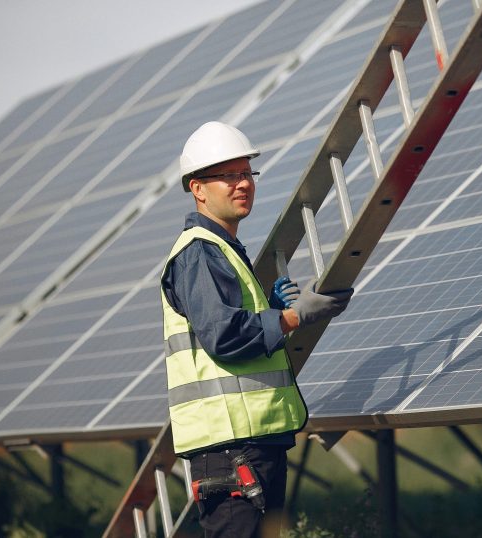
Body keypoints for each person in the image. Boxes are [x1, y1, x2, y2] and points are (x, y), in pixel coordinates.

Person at [160, 121, 353, 537]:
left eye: (246, 173)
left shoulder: (224, 250)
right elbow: (225, 336)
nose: (242, 184)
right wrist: (294, 316)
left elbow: (233, 325)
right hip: (231, 451)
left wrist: (270, 308)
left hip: (251, 444)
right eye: (228, 176)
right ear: (198, 188)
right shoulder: (199, 253)